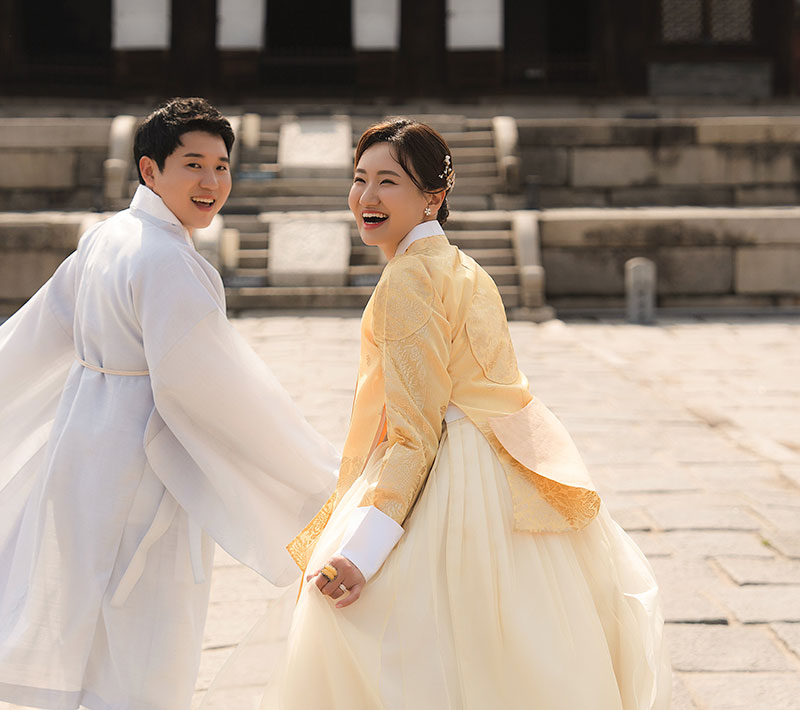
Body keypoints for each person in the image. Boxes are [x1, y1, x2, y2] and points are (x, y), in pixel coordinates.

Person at [0, 97, 339, 710]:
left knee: (74, 607)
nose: (212, 182)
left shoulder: (107, 236)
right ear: (149, 170)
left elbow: (39, 333)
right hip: (145, 464)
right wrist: (321, 480)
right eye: (193, 165)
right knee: (146, 629)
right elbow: (221, 394)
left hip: (80, 449)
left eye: (221, 166)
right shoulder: (167, 260)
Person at [263, 119, 671, 709]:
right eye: (359, 179)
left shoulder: (407, 279)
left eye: (388, 181)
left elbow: (415, 435)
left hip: (447, 480)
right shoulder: (463, 266)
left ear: (432, 197)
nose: (367, 197)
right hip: (500, 474)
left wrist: (362, 553)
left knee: (381, 643)